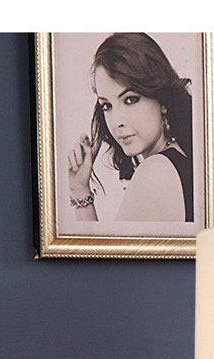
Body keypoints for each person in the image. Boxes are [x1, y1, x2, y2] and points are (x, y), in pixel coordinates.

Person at [67, 33, 193, 223]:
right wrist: (79, 189)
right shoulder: (180, 161)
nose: (117, 121)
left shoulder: (155, 171)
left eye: (130, 99)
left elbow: (96, 246)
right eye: (107, 106)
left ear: (162, 99)